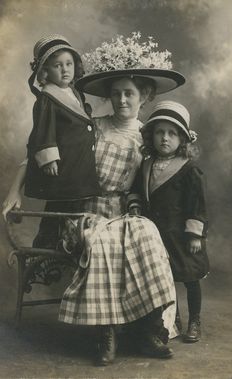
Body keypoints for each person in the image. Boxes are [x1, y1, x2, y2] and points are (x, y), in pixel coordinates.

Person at [3, 33, 185, 365]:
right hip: (84, 209)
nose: (122, 101)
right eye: (115, 95)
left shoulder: (148, 136)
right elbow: (37, 151)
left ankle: (148, 328)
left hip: (122, 209)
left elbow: (166, 176)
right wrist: (14, 190)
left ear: (142, 96)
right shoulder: (92, 126)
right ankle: (107, 332)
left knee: (146, 234)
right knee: (102, 241)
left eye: (129, 94)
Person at [136, 100, 209, 343]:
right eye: (159, 132)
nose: (164, 138)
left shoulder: (189, 170)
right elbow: (138, 191)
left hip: (183, 236)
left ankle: (195, 320)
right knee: (166, 279)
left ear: (182, 139)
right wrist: (134, 204)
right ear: (151, 136)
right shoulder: (146, 165)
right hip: (158, 235)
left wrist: (195, 234)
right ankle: (173, 319)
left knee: (189, 278)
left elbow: (196, 204)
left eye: (171, 133)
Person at [25, 34, 100, 248]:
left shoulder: (74, 93)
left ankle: (69, 243)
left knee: (74, 205)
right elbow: (43, 128)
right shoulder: (48, 97)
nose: (65, 70)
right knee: (59, 207)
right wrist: (48, 157)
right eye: (58, 66)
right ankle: (44, 246)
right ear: (45, 71)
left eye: (69, 64)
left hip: (78, 162)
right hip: (64, 164)